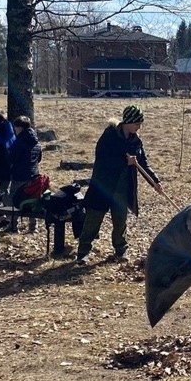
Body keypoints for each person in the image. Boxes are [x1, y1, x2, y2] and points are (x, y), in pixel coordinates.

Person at [76, 105, 162, 264]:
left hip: (122, 188)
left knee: (120, 221)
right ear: (128, 122)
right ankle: (83, 252)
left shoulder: (135, 141)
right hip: (103, 185)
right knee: (93, 219)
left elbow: (143, 163)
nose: (139, 127)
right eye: (137, 123)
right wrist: (124, 161)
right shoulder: (109, 136)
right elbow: (102, 160)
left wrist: (155, 181)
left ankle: (121, 250)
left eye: (140, 124)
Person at [8, 115, 42, 232]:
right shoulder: (36, 142)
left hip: (19, 175)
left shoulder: (19, 142)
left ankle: (13, 225)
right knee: (32, 199)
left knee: (15, 199)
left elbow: (12, 158)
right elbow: (39, 159)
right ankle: (33, 226)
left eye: (16, 127)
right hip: (34, 175)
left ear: (20, 128)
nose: (15, 130)